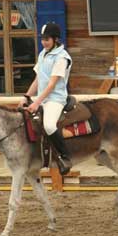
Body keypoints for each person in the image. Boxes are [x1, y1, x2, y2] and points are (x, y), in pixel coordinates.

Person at [19, 22, 72, 175]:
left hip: (55, 98)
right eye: (42, 39)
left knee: (49, 125)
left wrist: (36, 102)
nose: (44, 42)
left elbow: (51, 85)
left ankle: (64, 157)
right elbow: (38, 80)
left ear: (55, 39)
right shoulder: (43, 54)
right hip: (42, 98)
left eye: (47, 39)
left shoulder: (62, 58)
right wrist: (26, 96)